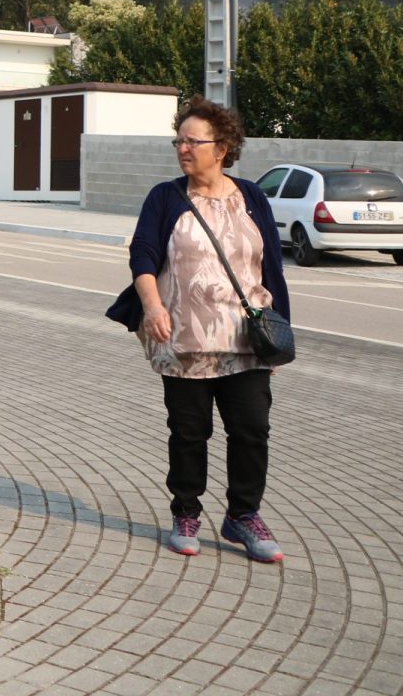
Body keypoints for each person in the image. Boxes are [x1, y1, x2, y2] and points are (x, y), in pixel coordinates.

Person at [107, 95, 292, 562]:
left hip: (244, 342)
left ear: (223, 146)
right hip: (183, 339)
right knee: (189, 433)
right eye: (179, 140)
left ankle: (243, 516)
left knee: (251, 430)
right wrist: (151, 307)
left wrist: (280, 340)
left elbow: (272, 269)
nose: (183, 149)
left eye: (194, 141)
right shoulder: (166, 197)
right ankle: (186, 511)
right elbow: (143, 255)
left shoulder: (252, 197)